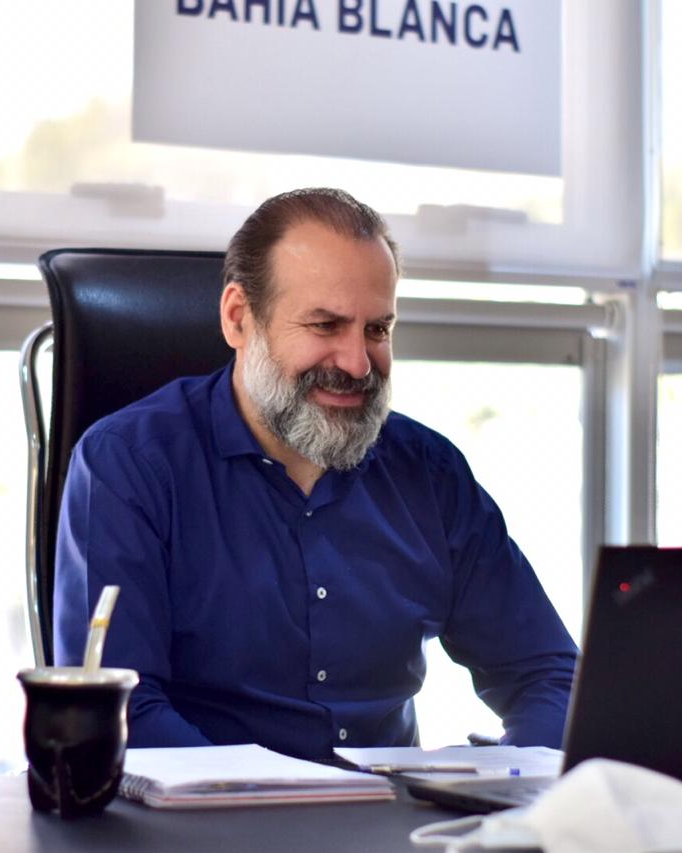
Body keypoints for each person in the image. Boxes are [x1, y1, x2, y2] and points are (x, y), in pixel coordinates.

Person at [53, 187, 578, 760]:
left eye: (377, 330)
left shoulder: (430, 473)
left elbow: (550, 677)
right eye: (326, 325)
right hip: (212, 811)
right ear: (238, 318)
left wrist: (514, 777)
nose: (356, 363)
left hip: (391, 809)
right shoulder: (129, 465)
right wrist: (272, 797)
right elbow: (121, 711)